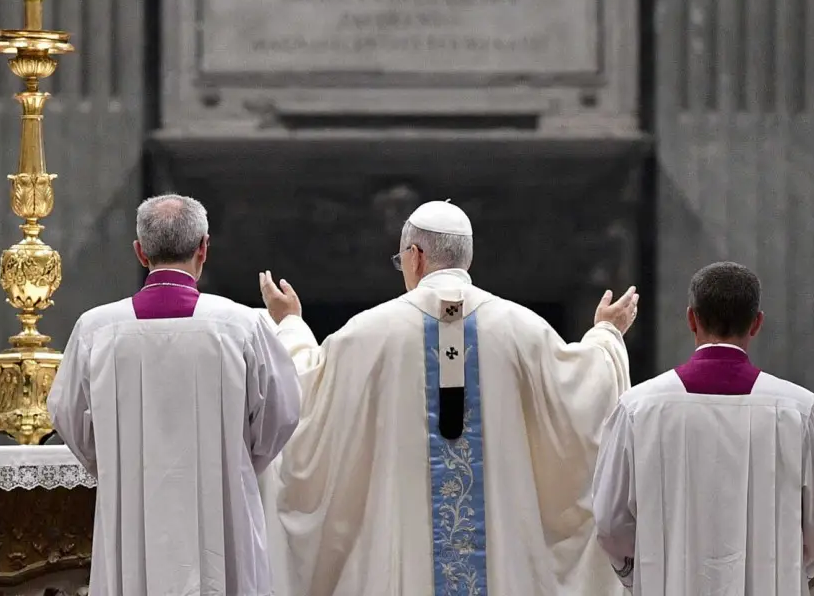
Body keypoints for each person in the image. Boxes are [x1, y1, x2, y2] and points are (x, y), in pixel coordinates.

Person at [258, 199, 638, 595]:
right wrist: (606, 335)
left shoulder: (367, 334)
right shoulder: (523, 329)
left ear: (415, 256)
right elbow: (585, 390)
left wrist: (290, 325)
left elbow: (302, 395)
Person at [51, 193, 301, 596]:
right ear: (204, 248)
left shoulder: (97, 329)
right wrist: (235, 462)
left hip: (130, 506)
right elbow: (282, 412)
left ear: (139, 252)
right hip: (224, 513)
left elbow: (66, 415)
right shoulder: (240, 325)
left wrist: (117, 464)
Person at [590, 262, 814, 594]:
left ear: (691, 319)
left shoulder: (638, 408)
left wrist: (645, 573)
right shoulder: (800, 410)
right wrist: (786, 570)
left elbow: (610, 522)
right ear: (756, 323)